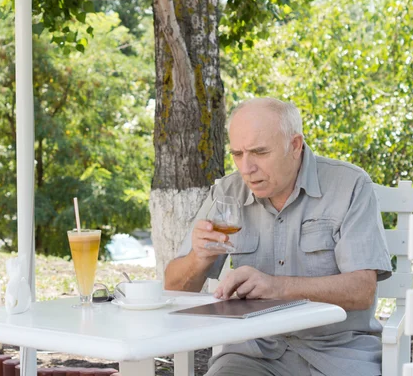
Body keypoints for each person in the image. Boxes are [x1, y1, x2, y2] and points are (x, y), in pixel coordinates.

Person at [164, 97, 392, 376]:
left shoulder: (350, 185)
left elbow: (362, 290)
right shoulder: (227, 193)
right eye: (237, 153)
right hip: (253, 353)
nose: (246, 168)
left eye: (259, 152)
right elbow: (173, 288)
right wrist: (198, 258)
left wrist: (277, 287)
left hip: (337, 352)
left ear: (294, 145)